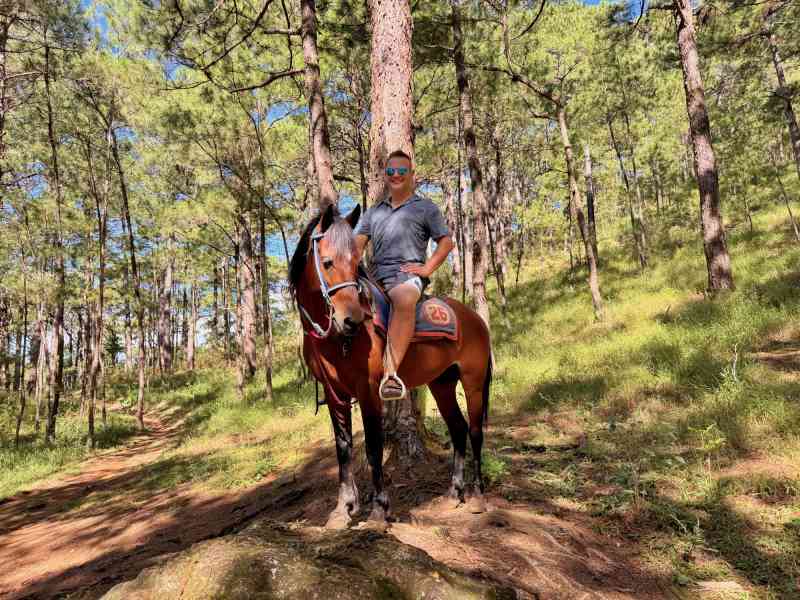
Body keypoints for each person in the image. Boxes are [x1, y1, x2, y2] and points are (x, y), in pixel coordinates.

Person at [355, 150, 454, 401]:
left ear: (412, 174)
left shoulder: (425, 208)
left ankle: (390, 375)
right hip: (374, 276)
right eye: (391, 171)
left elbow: (446, 243)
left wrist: (427, 269)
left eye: (402, 171)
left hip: (405, 274)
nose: (396, 175)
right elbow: (356, 247)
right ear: (385, 175)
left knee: (404, 299)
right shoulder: (373, 212)